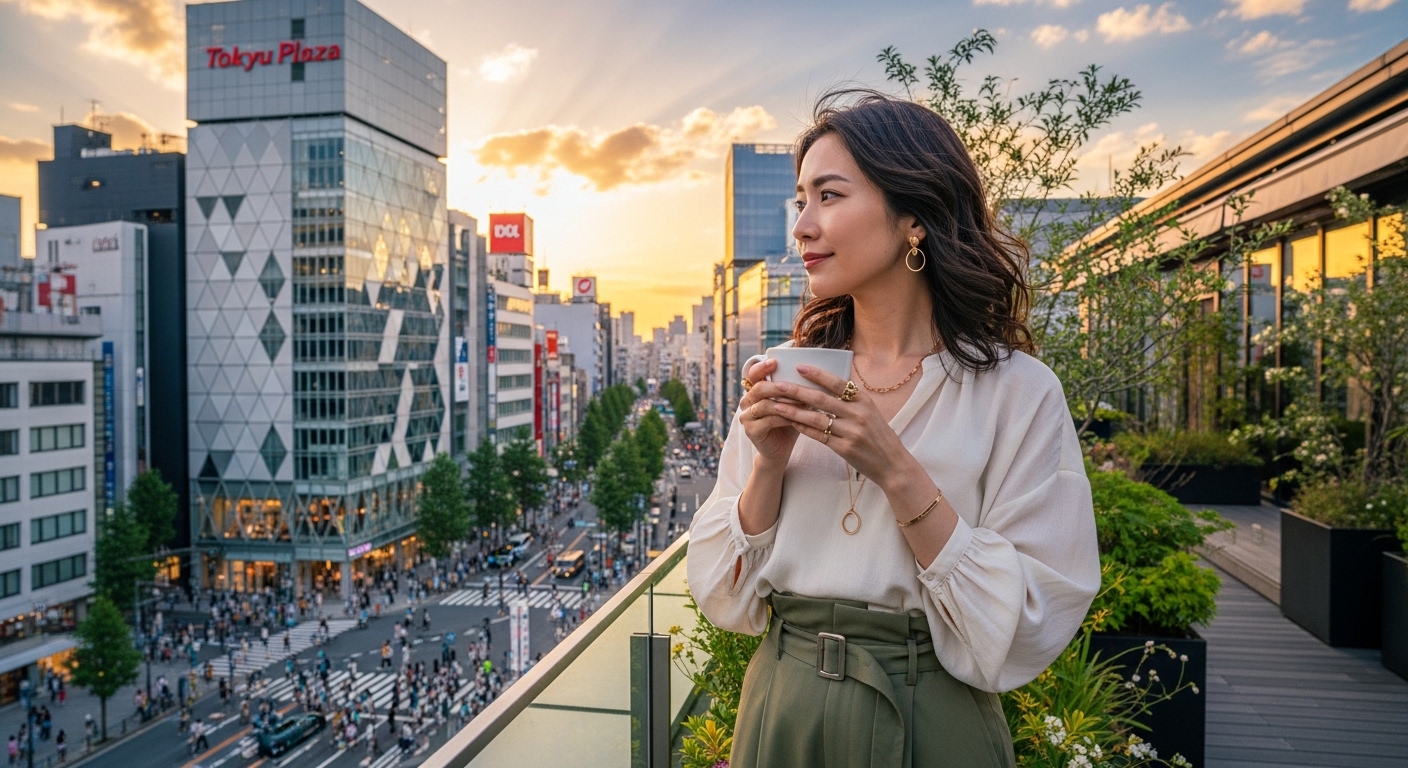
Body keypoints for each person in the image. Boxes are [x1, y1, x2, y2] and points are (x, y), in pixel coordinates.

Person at [687, 91, 1099, 768]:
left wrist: (897, 471)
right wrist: (766, 465)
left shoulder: (1017, 393)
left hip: (934, 716)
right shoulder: (789, 372)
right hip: (782, 710)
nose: (803, 226)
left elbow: (1035, 615)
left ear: (913, 215)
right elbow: (721, 593)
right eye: (800, 200)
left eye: (829, 195)